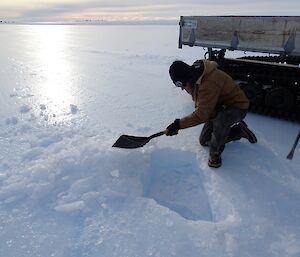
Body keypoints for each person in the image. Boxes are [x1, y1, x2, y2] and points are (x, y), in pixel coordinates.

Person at [166, 59, 257, 168]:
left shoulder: (208, 83)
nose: (181, 89)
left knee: (220, 122)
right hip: (218, 107)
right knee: (205, 140)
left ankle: (215, 154)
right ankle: (239, 131)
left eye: (182, 84)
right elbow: (203, 107)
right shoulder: (195, 76)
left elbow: (201, 115)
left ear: (188, 78)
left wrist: (179, 124)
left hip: (237, 107)